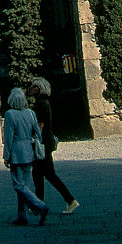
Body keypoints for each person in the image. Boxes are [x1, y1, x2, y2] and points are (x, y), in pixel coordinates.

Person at [30, 76, 79, 215]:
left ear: (40, 88)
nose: (32, 89)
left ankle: (68, 200)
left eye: (35, 87)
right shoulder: (45, 102)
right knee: (41, 174)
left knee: (44, 175)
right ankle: (41, 204)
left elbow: (40, 125)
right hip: (47, 141)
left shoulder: (40, 104)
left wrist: (35, 140)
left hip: (42, 143)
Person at [3, 86, 49, 226]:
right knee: (24, 184)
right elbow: (38, 134)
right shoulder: (30, 113)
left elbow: (9, 137)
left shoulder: (10, 114)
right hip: (29, 152)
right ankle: (22, 215)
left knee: (18, 186)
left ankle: (40, 206)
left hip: (16, 152)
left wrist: (6, 155)